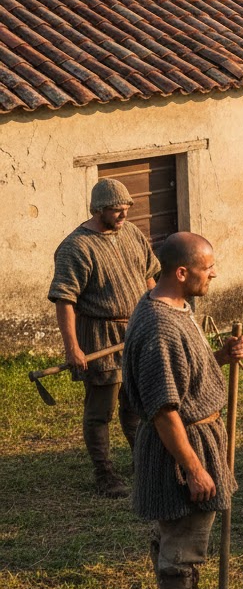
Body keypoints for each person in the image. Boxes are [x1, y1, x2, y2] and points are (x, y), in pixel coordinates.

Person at [121, 232, 243, 589]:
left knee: (176, 535)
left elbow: (182, 376)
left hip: (194, 437)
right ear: (180, 272)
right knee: (181, 547)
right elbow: (163, 409)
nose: (214, 274)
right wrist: (193, 468)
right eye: (206, 268)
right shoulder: (159, 327)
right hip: (181, 445)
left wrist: (219, 357)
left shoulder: (176, 308)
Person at [48, 178, 160, 497]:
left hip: (136, 331)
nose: (124, 215)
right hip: (99, 336)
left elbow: (149, 277)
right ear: (98, 210)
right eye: (116, 210)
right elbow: (65, 300)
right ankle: (105, 474)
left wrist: (155, 315)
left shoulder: (132, 233)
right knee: (101, 410)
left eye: (126, 208)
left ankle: (144, 461)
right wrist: (73, 348)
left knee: (136, 403)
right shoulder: (76, 247)